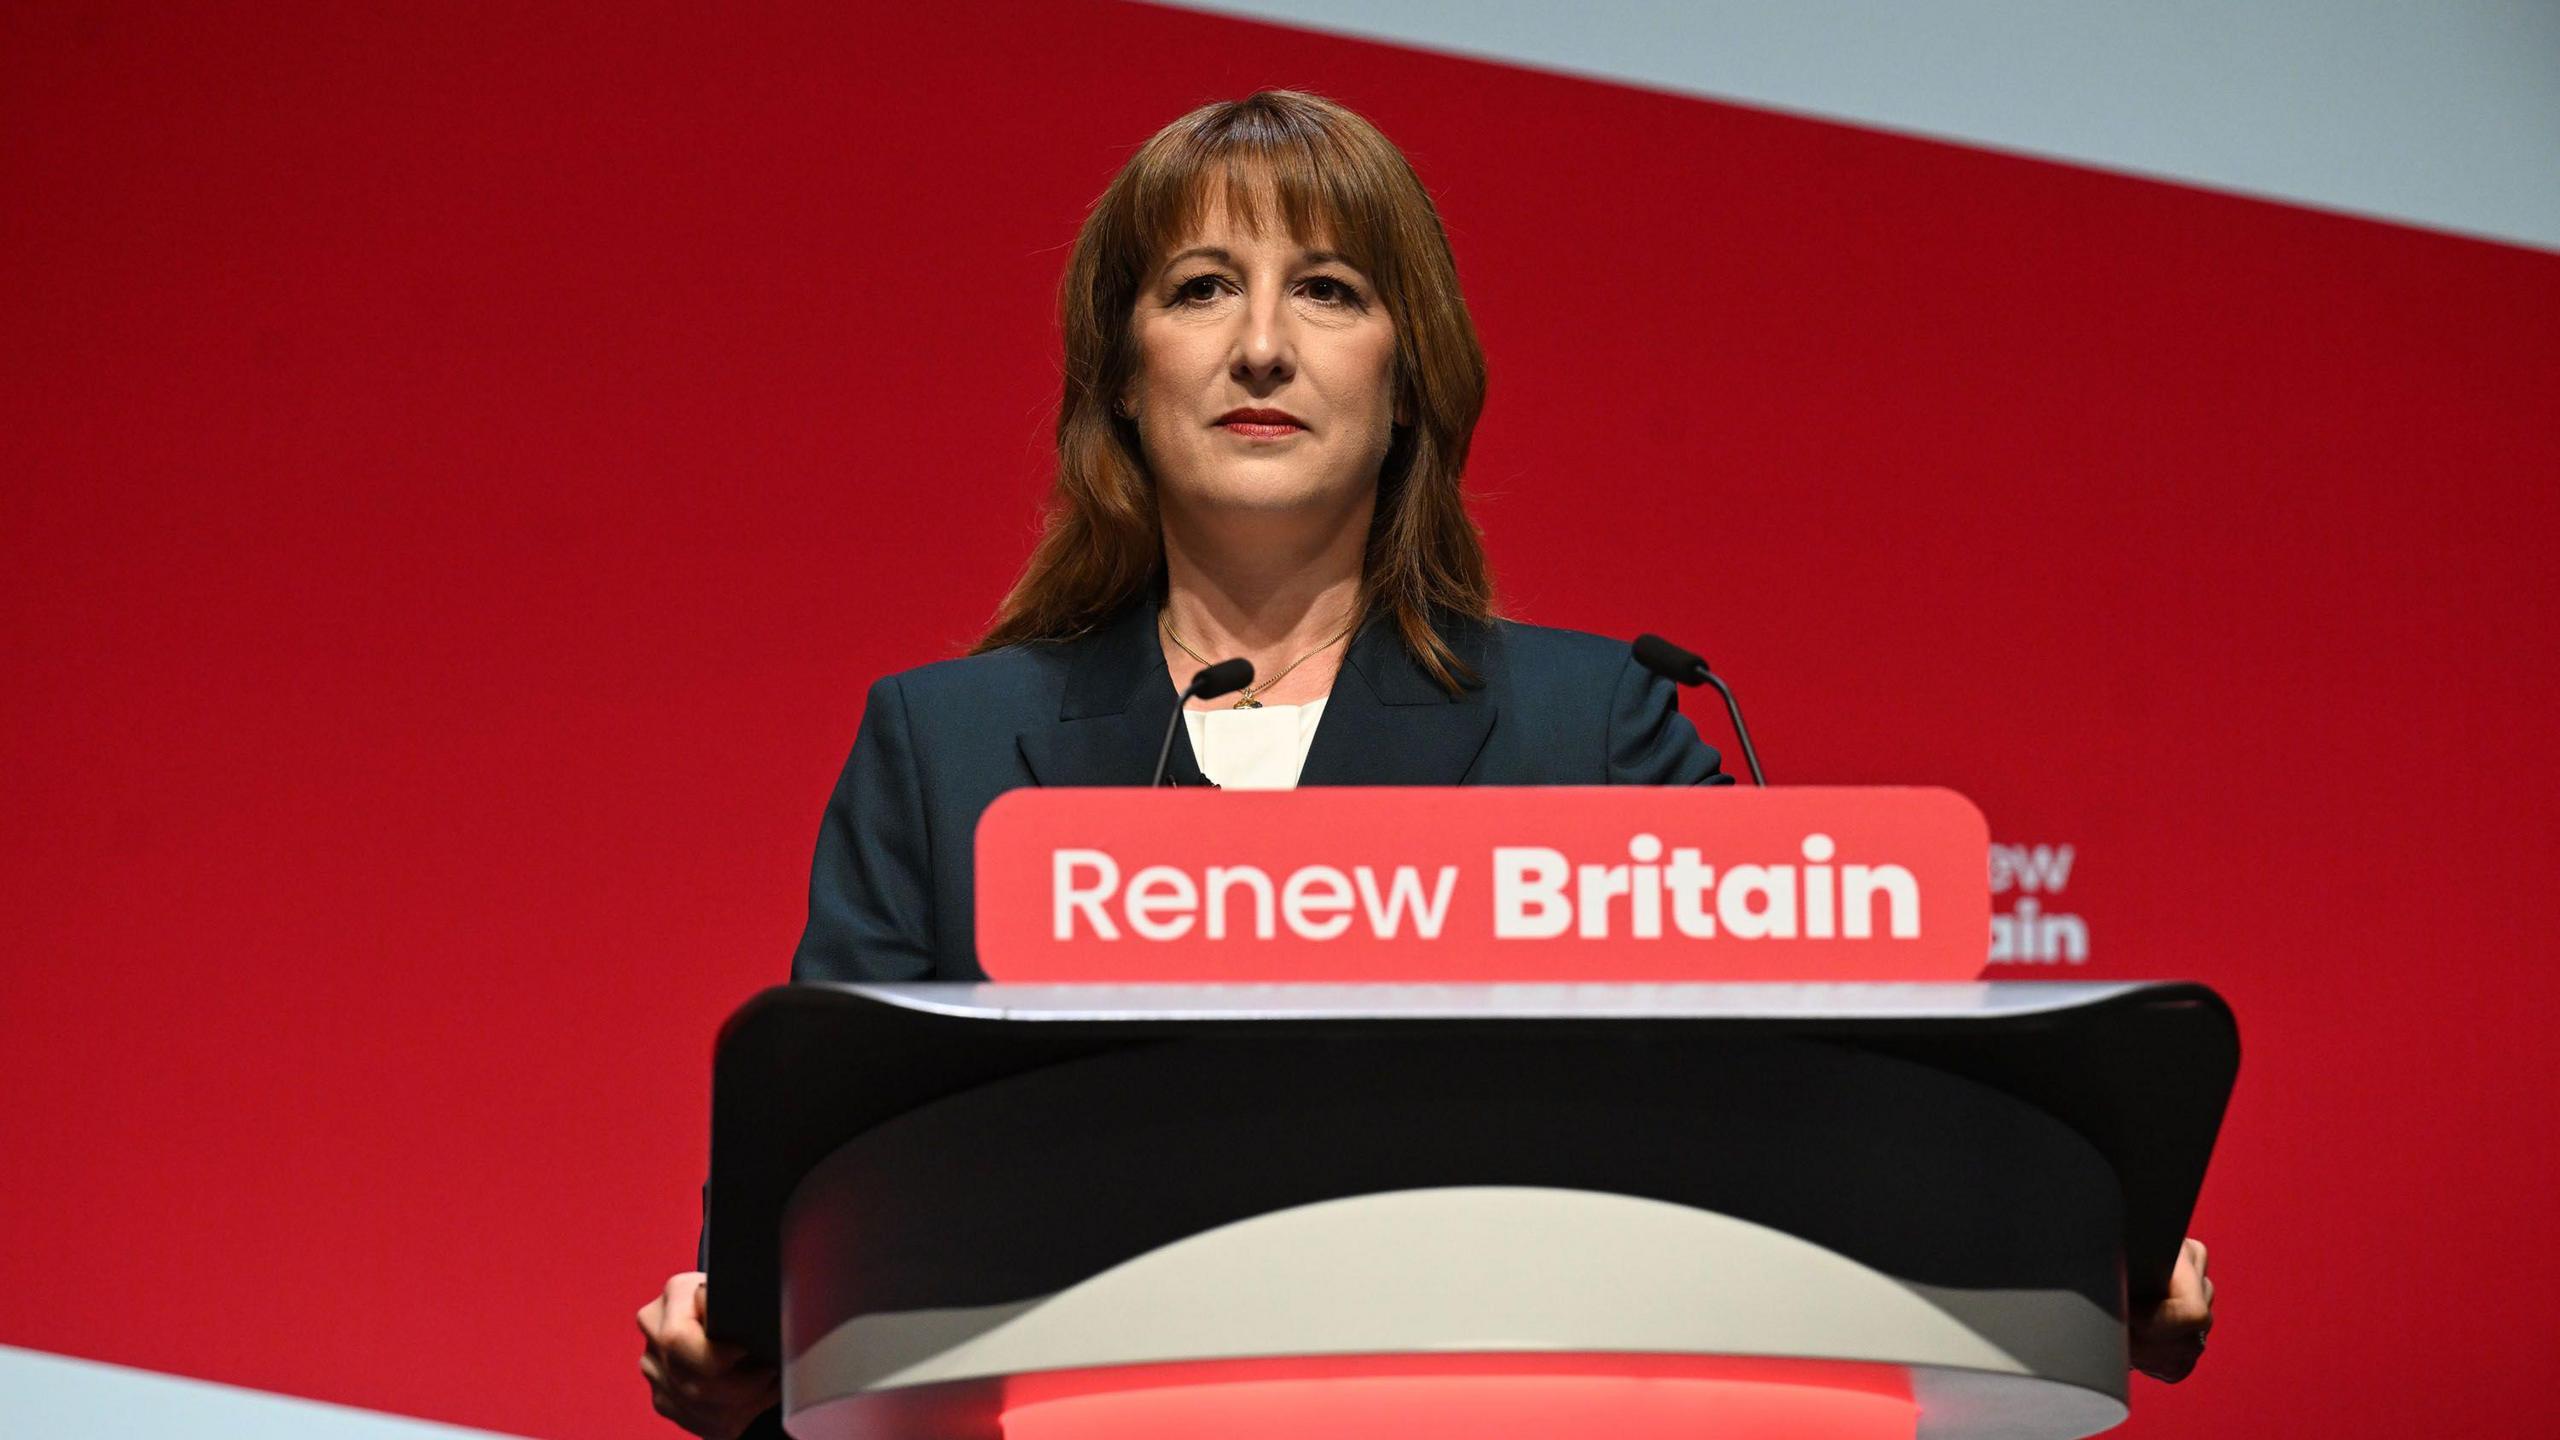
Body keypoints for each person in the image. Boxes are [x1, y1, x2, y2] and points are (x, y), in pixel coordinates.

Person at [638, 91, 2211, 1437]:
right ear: (1120, 374)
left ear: (1410, 379)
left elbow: (1818, 1110)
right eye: (1198, 288)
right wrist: (741, 1346)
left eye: (1327, 290)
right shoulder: (949, 747)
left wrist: (2073, 1246)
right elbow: (809, 1212)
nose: (1261, 345)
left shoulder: (1592, 733)